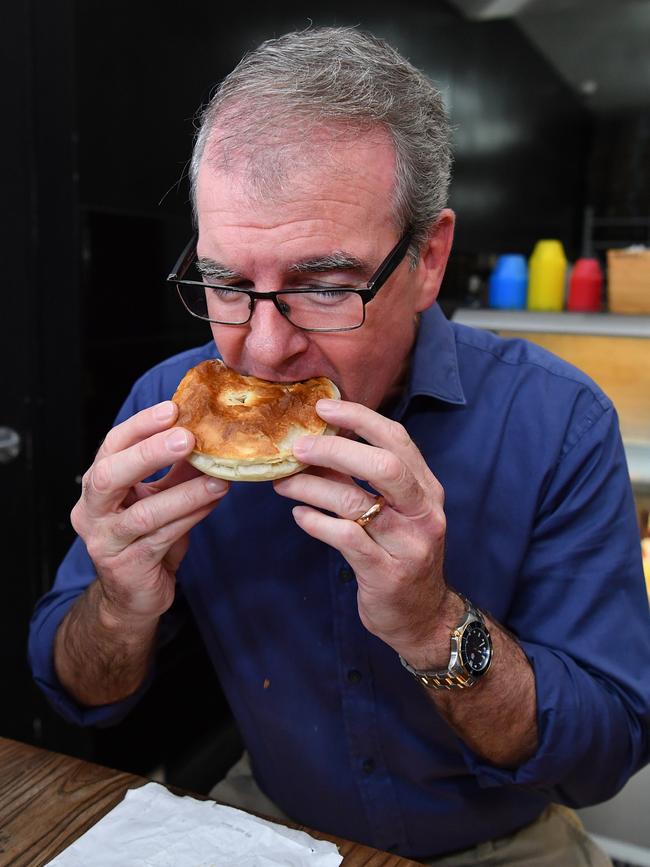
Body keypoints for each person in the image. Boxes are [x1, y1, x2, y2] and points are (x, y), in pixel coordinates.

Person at [29, 26, 649, 866]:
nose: (259, 349)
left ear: (429, 259)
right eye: (224, 283)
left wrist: (434, 623)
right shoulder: (168, 411)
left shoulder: (558, 421)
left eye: (323, 286)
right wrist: (117, 603)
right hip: (271, 814)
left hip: (503, 839)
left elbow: (606, 754)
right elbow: (76, 694)